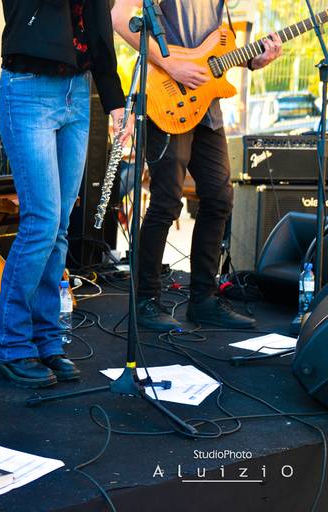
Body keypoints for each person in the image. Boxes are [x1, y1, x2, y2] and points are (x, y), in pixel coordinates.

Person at [111, 0, 283, 331]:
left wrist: (254, 61)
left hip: (206, 106)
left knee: (219, 199)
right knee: (166, 202)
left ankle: (203, 299)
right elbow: (119, 19)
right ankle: (146, 300)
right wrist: (172, 65)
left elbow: (218, 46)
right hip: (167, 96)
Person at [0, 0, 132, 388]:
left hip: (77, 94)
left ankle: (46, 341)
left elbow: (100, 30)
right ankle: (9, 345)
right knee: (42, 223)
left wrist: (116, 103)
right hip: (28, 89)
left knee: (59, 228)